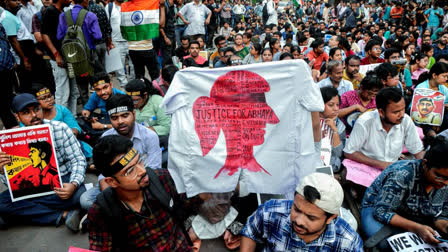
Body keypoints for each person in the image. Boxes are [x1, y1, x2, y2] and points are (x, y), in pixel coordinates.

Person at [87, 135, 201, 250]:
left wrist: (195, 233)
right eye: (130, 171)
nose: (142, 171)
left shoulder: (162, 179)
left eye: (140, 161)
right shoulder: (101, 212)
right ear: (111, 182)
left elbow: (198, 203)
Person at [0, 93, 87, 231]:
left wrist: (73, 184)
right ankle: (64, 215)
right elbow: (13, 185)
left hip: (61, 181)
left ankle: (24, 213)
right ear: (17, 116)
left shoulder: (60, 128)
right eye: (26, 112)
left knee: (79, 195)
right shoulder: (10, 140)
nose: (34, 115)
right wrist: (2, 171)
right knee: (2, 203)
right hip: (30, 188)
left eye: (36, 109)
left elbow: (78, 160)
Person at [361, 136, 448, 250]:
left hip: (416, 216)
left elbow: (441, 215)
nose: (445, 183)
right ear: (425, 164)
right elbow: (381, 211)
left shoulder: (445, 183)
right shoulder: (402, 175)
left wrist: (445, 226)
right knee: (387, 246)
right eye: (439, 176)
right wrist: (417, 228)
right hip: (377, 209)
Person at [240, 173, 363, 251]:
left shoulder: (348, 243)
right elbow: (251, 232)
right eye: (296, 209)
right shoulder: (271, 211)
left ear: (331, 218)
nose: (298, 220)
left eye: (311, 217)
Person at [80, 94, 162, 211]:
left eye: (125, 116)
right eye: (114, 118)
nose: (120, 121)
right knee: (85, 200)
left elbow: (154, 170)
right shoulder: (105, 138)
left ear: (133, 114)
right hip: (115, 184)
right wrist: (110, 194)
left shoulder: (149, 136)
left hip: (142, 181)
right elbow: (104, 174)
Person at [344, 88, 424, 170]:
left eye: (403, 109)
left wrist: (424, 167)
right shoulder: (365, 122)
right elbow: (349, 152)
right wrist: (382, 164)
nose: (401, 115)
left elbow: (417, 150)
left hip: (392, 168)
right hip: (366, 167)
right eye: (396, 112)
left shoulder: (406, 120)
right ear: (381, 112)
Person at [56, 0, 103, 105]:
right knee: (99, 82)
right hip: (90, 55)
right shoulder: (90, 15)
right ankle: (102, 107)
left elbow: (59, 36)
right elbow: (98, 36)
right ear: (85, 1)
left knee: (81, 85)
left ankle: (87, 109)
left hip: (73, 57)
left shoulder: (63, 15)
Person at [120, 0, 164, 81]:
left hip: (133, 50)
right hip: (146, 48)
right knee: (155, 76)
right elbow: (162, 24)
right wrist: (162, 7)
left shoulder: (126, 8)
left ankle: (141, 92)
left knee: (139, 76)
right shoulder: (148, 10)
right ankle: (156, 92)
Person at [104, 0, 134, 87]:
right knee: (120, 70)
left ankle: (132, 87)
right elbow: (106, 25)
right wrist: (109, 42)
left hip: (130, 41)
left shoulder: (129, 5)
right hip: (116, 43)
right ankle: (124, 90)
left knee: (134, 66)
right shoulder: (109, 7)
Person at [319, 87, 346, 172]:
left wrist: (334, 130)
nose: (335, 109)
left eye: (337, 105)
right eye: (331, 105)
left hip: (330, 163)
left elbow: (338, 153)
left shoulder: (340, 125)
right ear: (320, 104)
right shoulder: (310, 121)